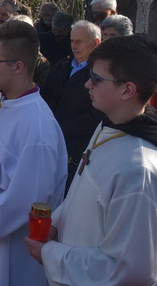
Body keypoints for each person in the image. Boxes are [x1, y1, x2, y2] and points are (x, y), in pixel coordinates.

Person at [25, 35, 157, 286]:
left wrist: (51, 254)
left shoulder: (139, 170)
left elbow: (128, 272)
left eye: (97, 78)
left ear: (127, 90)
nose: (87, 84)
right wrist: (57, 223)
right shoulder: (109, 127)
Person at [0, 20, 67, 286]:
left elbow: (30, 202)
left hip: (10, 248)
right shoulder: (4, 102)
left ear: (18, 67)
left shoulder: (37, 127)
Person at [41, 20, 103, 188]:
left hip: (76, 149)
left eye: (79, 42)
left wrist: (60, 128)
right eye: (71, 41)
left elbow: (95, 115)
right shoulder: (62, 66)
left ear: (95, 43)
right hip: (50, 142)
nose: (74, 46)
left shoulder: (100, 75)